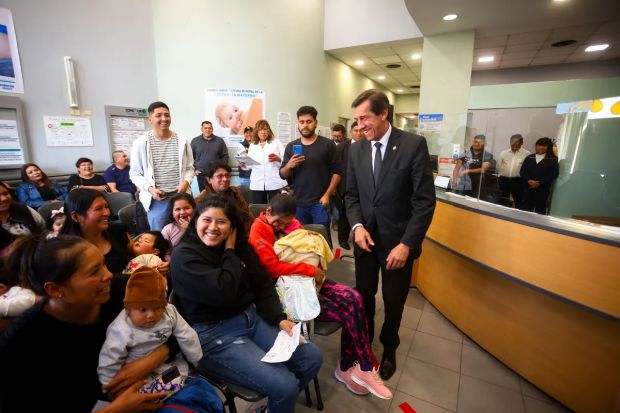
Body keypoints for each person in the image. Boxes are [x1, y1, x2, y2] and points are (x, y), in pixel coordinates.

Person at [171, 195, 323, 413]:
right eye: (206, 220)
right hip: (214, 335)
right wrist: (230, 252)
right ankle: (280, 400)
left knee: (312, 358)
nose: (212, 227)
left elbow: (262, 282)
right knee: (286, 386)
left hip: (251, 319)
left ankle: (274, 407)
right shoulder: (184, 255)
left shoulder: (241, 247)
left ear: (232, 227)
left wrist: (278, 318)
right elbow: (223, 291)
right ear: (196, 221)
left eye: (221, 222)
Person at [0, 235, 172, 412]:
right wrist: (117, 410)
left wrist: (152, 359)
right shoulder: (22, 341)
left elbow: (173, 329)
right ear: (55, 289)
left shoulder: (123, 290)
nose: (108, 275)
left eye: (104, 264)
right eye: (94, 272)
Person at [249, 194, 392, 399]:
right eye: (279, 222)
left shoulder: (290, 222)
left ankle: (358, 367)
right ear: (268, 212)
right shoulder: (258, 229)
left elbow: (307, 244)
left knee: (355, 298)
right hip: (288, 289)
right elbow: (272, 268)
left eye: (287, 223)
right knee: (348, 313)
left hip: (309, 279)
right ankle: (356, 367)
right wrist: (309, 270)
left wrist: (313, 268)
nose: (282, 226)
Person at [346, 89, 436, 380]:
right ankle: (365, 345)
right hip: (365, 242)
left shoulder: (412, 145)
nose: (360, 126)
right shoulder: (356, 149)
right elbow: (352, 196)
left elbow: (424, 202)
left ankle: (389, 348)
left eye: (365, 118)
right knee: (364, 297)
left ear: (384, 113)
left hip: (398, 244)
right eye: (357, 120)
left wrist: (407, 244)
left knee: (394, 300)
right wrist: (357, 227)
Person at [98, 266, 202, 393]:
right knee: (146, 392)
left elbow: (186, 334)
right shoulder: (121, 328)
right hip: (139, 375)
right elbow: (109, 358)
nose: (151, 315)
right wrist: (110, 386)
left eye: (157, 307)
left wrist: (196, 360)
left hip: (167, 364)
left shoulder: (169, 313)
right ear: (128, 309)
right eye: (143, 309)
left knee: (187, 380)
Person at [280, 106, 343, 248]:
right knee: (302, 243)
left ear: (315, 123)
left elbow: (338, 172)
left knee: (323, 242)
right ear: (298, 124)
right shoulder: (291, 146)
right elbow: (283, 174)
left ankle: (326, 263)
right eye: (301, 122)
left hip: (320, 203)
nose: (305, 125)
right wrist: (289, 165)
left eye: (309, 121)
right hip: (298, 203)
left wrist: (327, 194)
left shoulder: (327, 144)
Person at [130, 101, 194, 231]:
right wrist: (150, 189)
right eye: (158, 115)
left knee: (187, 232)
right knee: (160, 235)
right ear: (150, 119)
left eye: (167, 115)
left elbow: (189, 168)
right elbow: (135, 174)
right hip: (157, 201)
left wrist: (186, 182)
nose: (164, 119)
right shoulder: (140, 143)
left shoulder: (182, 140)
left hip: (181, 197)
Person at [195, 160, 253, 234]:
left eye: (227, 175)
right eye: (220, 176)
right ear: (209, 180)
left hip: (243, 234)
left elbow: (248, 216)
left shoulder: (235, 192)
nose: (225, 179)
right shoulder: (201, 199)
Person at [239, 120, 287, 204]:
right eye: (260, 130)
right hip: (257, 182)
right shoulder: (253, 145)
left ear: (269, 130)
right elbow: (250, 165)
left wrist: (278, 159)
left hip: (274, 182)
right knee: (258, 208)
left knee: (275, 207)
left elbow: (286, 159)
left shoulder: (276, 142)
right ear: (257, 131)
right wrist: (244, 165)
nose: (263, 132)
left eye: (265, 129)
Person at [520, 137, 559, 214]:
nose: (541, 147)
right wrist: (529, 180)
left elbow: (553, 174)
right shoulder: (529, 157)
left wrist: (539, 183)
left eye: (544, 146)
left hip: (542, 190)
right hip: (528, 188)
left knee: (540, 211)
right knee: (525, 210)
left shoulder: (553, 159)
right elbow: (522, 172)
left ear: (548, 147)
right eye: (539, 145)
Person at [191, 121, 229, 192]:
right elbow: (190, 157)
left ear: (212, 129)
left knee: (217, 194)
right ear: (201, 129)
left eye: (210, 128)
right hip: (201, 174)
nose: (207, 130)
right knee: (204, 194)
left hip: (216, 174)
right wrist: (194, 169)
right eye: (205, 128)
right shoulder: (195, 141)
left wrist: (222, 169)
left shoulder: (220, 141)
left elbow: (225, 156)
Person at [496, 134, 530, 208]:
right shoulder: (504, 153)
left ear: (521, 143)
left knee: (519, 201)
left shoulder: (527, 154)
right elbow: (498, 166)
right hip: (504, 180)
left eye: (517, 142)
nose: (514, 143)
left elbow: (528, 169)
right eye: (512, 142)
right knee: (502, 201)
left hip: (518, 181)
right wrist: (499, 177)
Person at [332, 124, 352, 249]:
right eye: (334, 136)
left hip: (361, 186)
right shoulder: (340, 148)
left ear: (344, 134)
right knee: (343, 214)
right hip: (343, 186)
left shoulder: (367, 145)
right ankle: (343, 239)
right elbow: (334, 169)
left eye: (339, 136)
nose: (336, 138)